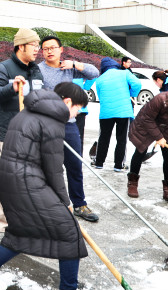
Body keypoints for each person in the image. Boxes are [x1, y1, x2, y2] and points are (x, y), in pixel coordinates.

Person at [0, 82, 89, 290]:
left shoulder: (31, 110)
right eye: (77, 109)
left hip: (12, 179)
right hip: (25, 181)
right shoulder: (52, 119)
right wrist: (65, 201)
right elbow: (53, 168)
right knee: (69, 234)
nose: (75, 115)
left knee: (22, 233)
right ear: (67, 102)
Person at [0, 28, 44, 239]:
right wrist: (12, 88)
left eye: (38, 45)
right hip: (10, 135)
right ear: (21, 46)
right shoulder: (3, 68)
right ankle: (2, 224)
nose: (38, 49)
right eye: (34, 45)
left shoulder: (36, 70)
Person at [37, 35, 100, 222]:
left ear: (60, 49)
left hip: (69, 124)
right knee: (49, 166)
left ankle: (79, 204)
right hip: (47, 124)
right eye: (45, 48)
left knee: (74, 164)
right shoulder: (38, 70)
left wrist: (75, 65)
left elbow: (94, 73)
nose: (49, 51)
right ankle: (50, 205)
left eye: (53, 47)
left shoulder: (68, 68)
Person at [93, 57, 141, 172]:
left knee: (104, 137)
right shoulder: (124, 73)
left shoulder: (100, 79)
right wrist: (131, 94)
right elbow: (137, 84)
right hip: (123, 112)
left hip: (106, 113)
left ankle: (99, 162)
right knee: (121, 139)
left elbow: (100, 96)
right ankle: (118, 165)